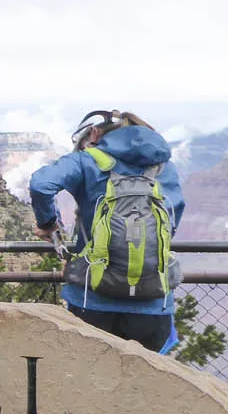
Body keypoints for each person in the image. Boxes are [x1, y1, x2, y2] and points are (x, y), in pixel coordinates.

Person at [29, 109, 185, 352]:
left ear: (93, 133)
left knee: (89, 381)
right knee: (147, 384)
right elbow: (172, 219)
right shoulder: (164, 167)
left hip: (92, 301)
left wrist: (49, 224)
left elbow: (41, 185)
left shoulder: (87, 160)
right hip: (154, 304)